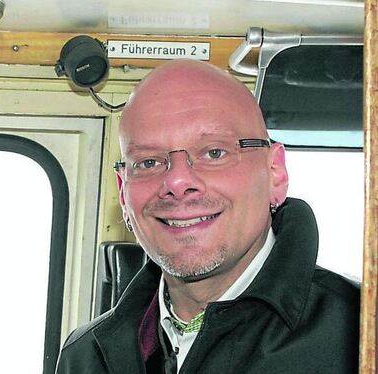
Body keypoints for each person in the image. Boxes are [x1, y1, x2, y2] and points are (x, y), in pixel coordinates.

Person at [56, 60, 359, 373]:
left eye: (214, 153)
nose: (176, 182)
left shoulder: (360, 337)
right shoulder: (86, 355)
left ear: (275, 173)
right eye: (148, 162)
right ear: (123, 193)